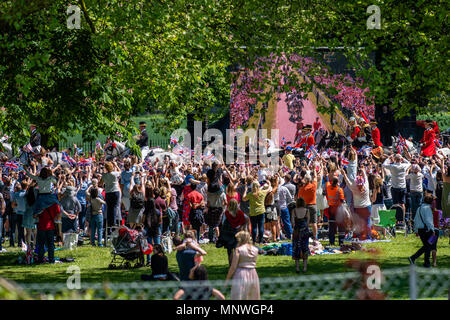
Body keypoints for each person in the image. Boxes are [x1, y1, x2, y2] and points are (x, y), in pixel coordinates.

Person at [225, 231, 260, 300]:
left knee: (238, 295)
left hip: (241, 273)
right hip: (253, 272)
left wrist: (227, 279)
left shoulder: (238, 250)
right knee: (252, 296)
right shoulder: (255, 249)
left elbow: (233, 267)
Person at [408, 195, 436, 268]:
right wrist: (433, 230)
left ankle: (425, 262)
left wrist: (416, 230)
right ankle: (417, 259)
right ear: (430, 201)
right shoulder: (428, 208)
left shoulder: (419, 208)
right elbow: (428, 220)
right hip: (427, 230)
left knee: (427, 246)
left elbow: (416, 220)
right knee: (428, 246)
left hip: (421, 230)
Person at [383, 154, 411, 219]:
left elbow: (384, 165)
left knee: (395, 203)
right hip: (402, 187)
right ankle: (402, 219)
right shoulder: (404, 165)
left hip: (395, 187)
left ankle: (395, 218)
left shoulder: (392, 166)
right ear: (400, 160)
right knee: (402, 203)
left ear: (395, 159)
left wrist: (389, 158)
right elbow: (409, 163)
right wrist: (403, 159)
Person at [291, 197, 311, 273]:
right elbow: (308, 222)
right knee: (305, 248)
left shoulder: (294, 211)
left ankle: (297, 268)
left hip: (297, 231)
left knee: (296, 247)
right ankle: (305, 268)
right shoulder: (307, 211)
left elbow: (292, 222)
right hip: (305, 231)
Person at [100, 161, 122, 228]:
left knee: (109, 207)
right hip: (115, 191)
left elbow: (100, 183)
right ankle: (114, 222)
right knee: (115, 206)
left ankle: (109, 222)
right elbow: (120, 172)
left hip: (108, 192)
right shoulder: (114, 174)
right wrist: (116, 165)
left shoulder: (104, 175)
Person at [325, 176, 345, 246]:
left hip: (331, 209)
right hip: (338, 210)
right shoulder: (339, 190)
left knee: (332, 226)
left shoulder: (328, 188)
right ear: (338, 182)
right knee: (341, 226)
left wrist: (327, 175)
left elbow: (327, 181)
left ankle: (331, 241)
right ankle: (341, 241)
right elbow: (342, 200)